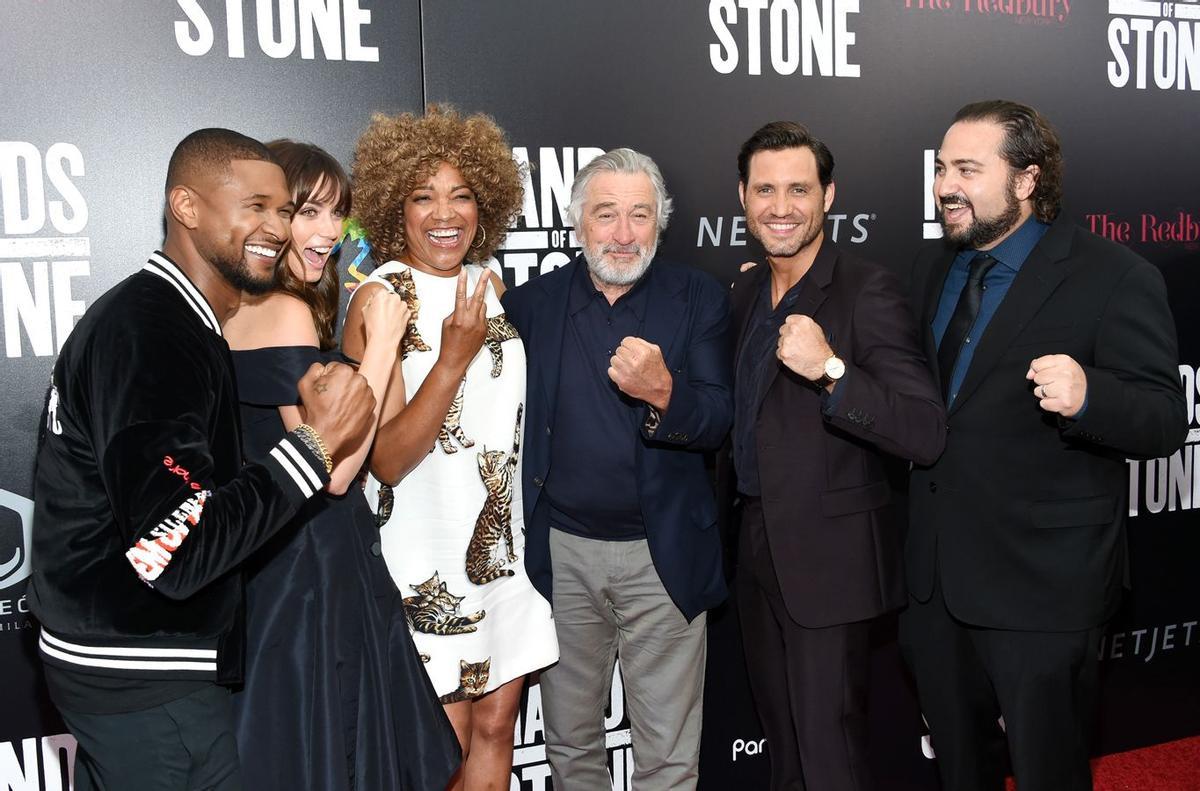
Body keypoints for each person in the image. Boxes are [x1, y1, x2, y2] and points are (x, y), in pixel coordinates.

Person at [27, 129, 375, 790]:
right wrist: (314, 446)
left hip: (136, 662)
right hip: (143, 676)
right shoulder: (153, 331)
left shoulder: (176, 319)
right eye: (253, 206)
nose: (274, 226)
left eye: (282, 208)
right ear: (186, 207)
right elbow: (174, 547)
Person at [902, 100, 1188, 791]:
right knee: (958, 771)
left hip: (1043, 592)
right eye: (943, 168)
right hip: (937, 586)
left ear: (1028, 180)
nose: (946, 184)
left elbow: (1163, 418)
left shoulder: (1114, 276)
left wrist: (1091, 394)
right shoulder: (937, 270)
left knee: (1047, 773)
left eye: (968, 168)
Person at [222, 139, 459, 790]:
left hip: (283, 564)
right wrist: (383, 344)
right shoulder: (286, 311)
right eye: (309, 212)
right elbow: (333, 469)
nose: (329, 232)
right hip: (313, 573)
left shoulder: (245, 304)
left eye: (337, 213)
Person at [720, 121, 944, 791]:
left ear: (829, 195)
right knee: (784, 746)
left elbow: (923, 429)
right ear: (742, 197)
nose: (780, 206)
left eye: (798, 188)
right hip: (755, 548)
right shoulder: (743, 293)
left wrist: (833, 370)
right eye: (765, 189)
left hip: (831, 560)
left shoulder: (866, 290)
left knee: (829, 752)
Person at [502, 147, 733, 791]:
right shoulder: (529, 306)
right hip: (561, 555)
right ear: (576, 222)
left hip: (663, 557)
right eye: (607, 215)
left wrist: (664, 391)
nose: (624, 235)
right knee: (571, 749)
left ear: (662, 221)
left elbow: (718, 419)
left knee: (668, 754)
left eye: (641, 215)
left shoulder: (699, 298)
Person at [344, 105, 558, 791]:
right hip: (419, 555)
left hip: (500, 553)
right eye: (423, 195)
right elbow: (386, 459)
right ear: (393, 208)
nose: (445, 212)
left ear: (486, 203)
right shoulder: (381, 299)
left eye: (462, 194)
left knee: (498, 729)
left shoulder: (488, 284)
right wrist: (451, 359)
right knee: (445, 750)